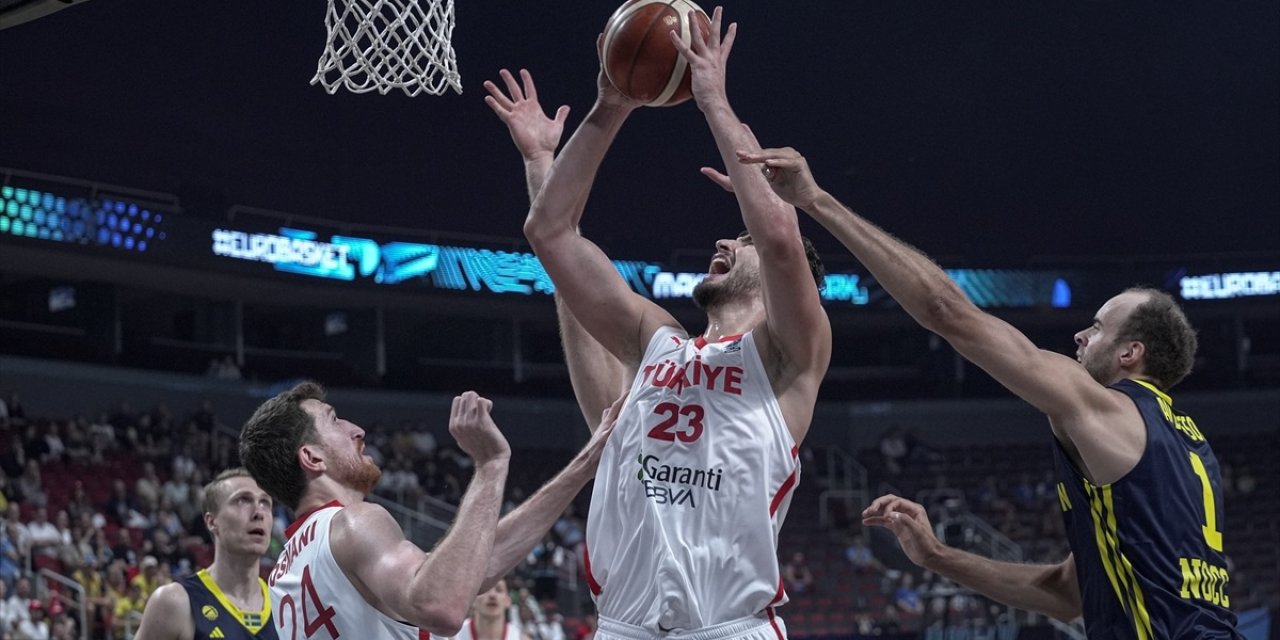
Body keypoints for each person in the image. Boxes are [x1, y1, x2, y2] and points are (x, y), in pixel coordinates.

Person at [714, 146, 1240, 637]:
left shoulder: (1107, 408)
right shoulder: (1193, 453)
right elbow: (1067, 593)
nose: (1080, 335)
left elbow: (947, 313)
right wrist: (938, 556)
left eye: (1099, 327)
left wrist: (815, 200)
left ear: (1132, 354)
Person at [514, 8, 832, 638]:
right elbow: (550, 234)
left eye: (738, 239)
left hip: (730, 628)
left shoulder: (788, 356)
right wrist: (611, 105)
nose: (724, 238)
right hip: (623, 627)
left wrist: (712, 97)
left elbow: (780, 238)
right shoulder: (653, 341)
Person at [238, 385, 622, 640]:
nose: (357, 430)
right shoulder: (354, 522)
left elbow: (472, 568)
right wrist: (490, 465)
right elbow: (441, 605)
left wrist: (584, 465)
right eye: (335, 420)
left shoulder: (287, 566)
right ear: (311, 456)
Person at [134, 468, 278, 640]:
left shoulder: (286, 606)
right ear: (211, 522)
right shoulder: (175, 602)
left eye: (265, 503)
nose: (258, 513)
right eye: (243, 501)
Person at [450, 578, 529, 640]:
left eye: (499, 590)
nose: (492, 595)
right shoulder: (453, 636)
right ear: (472, 599)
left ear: (508, 600)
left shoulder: (520, 638)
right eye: (485, 590)